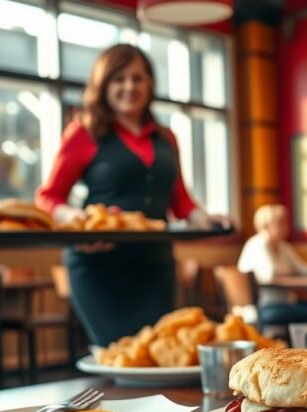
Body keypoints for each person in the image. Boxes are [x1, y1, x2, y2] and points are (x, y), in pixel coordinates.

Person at [35, 44, 223, 345]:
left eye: (137, 78)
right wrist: (76, 218)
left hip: (157, 266)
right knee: (117, 356)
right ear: (103, 85)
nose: (129, 87)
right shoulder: (83, 131)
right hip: (99, 267)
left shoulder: (166, 138)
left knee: (155, 354)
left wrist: (204, 217)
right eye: (118, 79)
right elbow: (48, 196)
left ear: (150, 84)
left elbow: (181, 202)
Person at [237, 204, 307, 325]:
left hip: (284, 301)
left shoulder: (283, 246)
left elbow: (300, 267)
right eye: (281, 223)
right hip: (263, 305)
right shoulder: (258, 245)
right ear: (267, 225)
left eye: (286, 222)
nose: (286, 226)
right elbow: (268, 274)